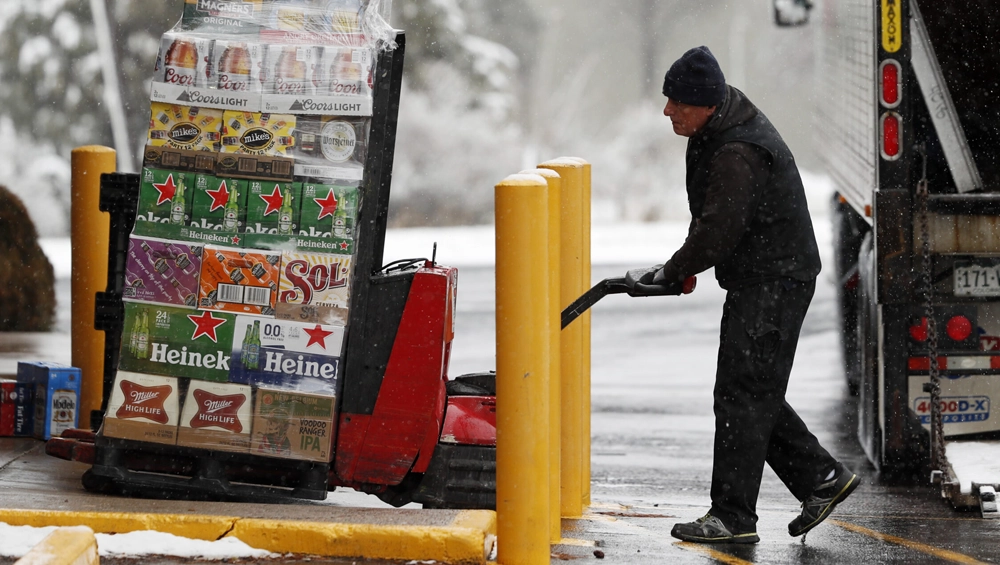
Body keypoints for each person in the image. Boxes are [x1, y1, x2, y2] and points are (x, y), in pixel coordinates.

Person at [638, 46, 859, 543]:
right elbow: (715, 221)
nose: (667, 111)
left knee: (743, 394)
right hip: (765, 276)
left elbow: (721, 228)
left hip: (774, 282)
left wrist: (676, 268)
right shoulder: (718, 127)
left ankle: (734, 518)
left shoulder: (738, 149)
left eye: (675, 102)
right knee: (750, 390)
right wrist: (684, 268)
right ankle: (821, 479)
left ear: (703, 103)